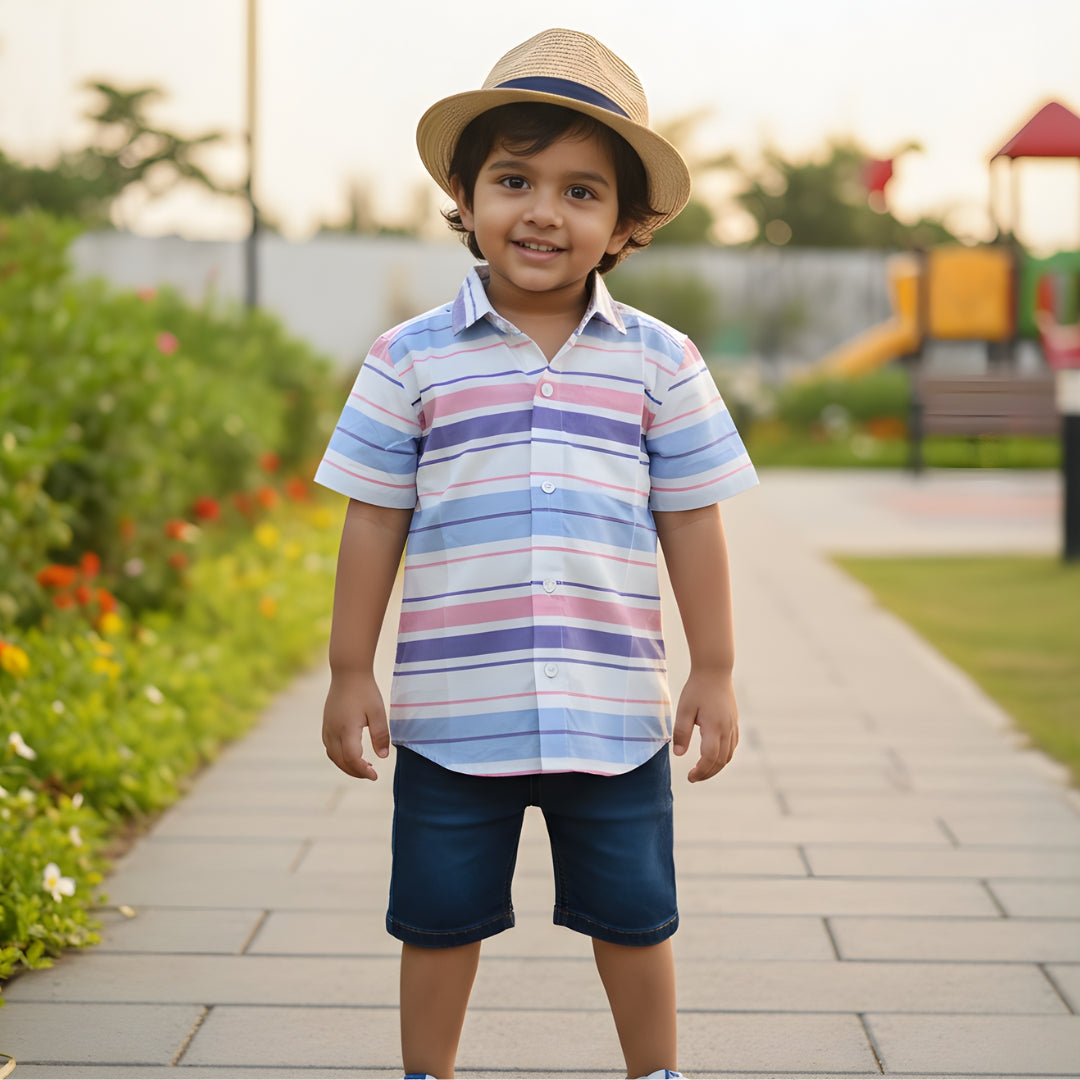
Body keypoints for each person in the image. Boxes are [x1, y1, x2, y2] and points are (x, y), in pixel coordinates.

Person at [315, 28, 758, 1080]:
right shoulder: (409, 358)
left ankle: (656, 1072)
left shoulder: (661, 363)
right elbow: (372, 517)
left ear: (624, 224)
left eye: (581, 191)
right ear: (466, 197)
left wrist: (717, 666)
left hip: (613, 714)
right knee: (436, 919)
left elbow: (692, 519)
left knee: (638, 916)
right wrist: (346, 671)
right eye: (515, 180)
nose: (545, 212)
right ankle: (428, 1073)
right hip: (451, 716)